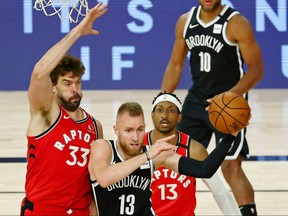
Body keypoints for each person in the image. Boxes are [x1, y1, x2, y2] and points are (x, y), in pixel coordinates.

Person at [161, 0, 264, 215]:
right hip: (197, 99)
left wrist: (229, 96)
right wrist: (164, 99)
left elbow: (256, 70)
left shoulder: (236, 23)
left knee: (230, 167)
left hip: (229, 103)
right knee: (172, 156)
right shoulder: (185, 22)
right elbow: (176, 63)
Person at [20, 3, 107, 215]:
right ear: (53, 88)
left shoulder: (94, 126)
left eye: (78, 83)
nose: (75, 89)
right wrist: (78, 31)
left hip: (79, 211)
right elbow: (39, 72)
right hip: (43, 210)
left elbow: (94, 183)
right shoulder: (45, 114)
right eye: (67, 84)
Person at [88, 101, 241, 216]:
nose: (135, 137)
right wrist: (147, 156)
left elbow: (205, 169)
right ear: (116, 130)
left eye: (140, 130)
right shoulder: (103, 148)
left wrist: (230, 137)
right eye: (128, 130)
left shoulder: (158, 155)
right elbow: (104, 178)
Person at [144, 92, 240, 215]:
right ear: (152, 115)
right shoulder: (137, 147)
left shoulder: (193, 149)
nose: (165, 115)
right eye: (159, 110)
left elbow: (220, 192)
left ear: (179, 117)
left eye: (171, 111)